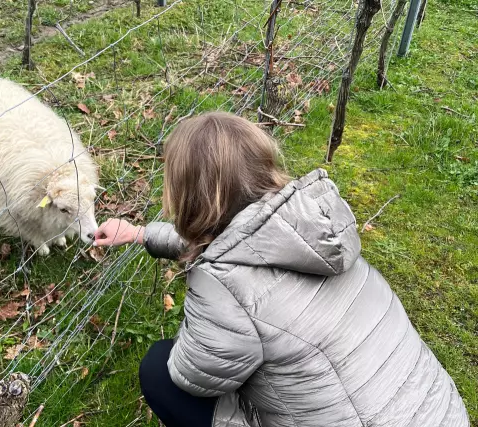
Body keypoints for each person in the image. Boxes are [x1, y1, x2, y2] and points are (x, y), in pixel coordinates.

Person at [93, 112, 469, 427]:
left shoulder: (222, 286)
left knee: (159, 369)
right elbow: (241, 243)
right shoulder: (312, 231)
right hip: (438, 412)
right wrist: (141, 234)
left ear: (188, 194)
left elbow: (194, 375)